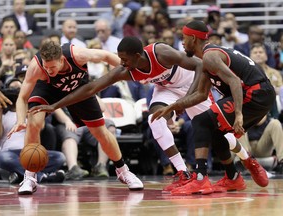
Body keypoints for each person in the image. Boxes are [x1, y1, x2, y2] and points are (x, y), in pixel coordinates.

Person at [28, 36, 266, 194]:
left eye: (124, 59)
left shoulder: (161, 52)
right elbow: (90, 88)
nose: (120, 63)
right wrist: (54, 105)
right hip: (165, 90)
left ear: (138, 55)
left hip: (190, 85)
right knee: (155, 120)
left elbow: (200, 66)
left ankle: (246, 158)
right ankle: (183, 172)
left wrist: (186, 100)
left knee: (214, 130)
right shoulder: (127, 70)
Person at [150, 20, 274, 195]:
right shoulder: (206, 59)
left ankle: (200, 178)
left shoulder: (210, 55)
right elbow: (200, 94)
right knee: (216, 132)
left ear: (193, 38)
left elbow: (234, 82)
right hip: (258, 94)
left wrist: (238, 114)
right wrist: (173, 106)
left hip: (255, 93)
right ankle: (233, 178)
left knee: (201, 121)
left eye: (184, 38)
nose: (182, 43)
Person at [7, 40, 144, 195]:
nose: (49, 70)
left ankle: (123, 171)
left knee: (101, 132)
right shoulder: (36, 67)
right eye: (47, 67)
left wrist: (134, 71)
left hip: (77, 88)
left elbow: (107, 55)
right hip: (48, 89)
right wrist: (20, 120)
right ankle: (30, 177)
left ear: (62, 60)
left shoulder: (78, 54)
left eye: (52, 67)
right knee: (33, 122)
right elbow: (22, 98)